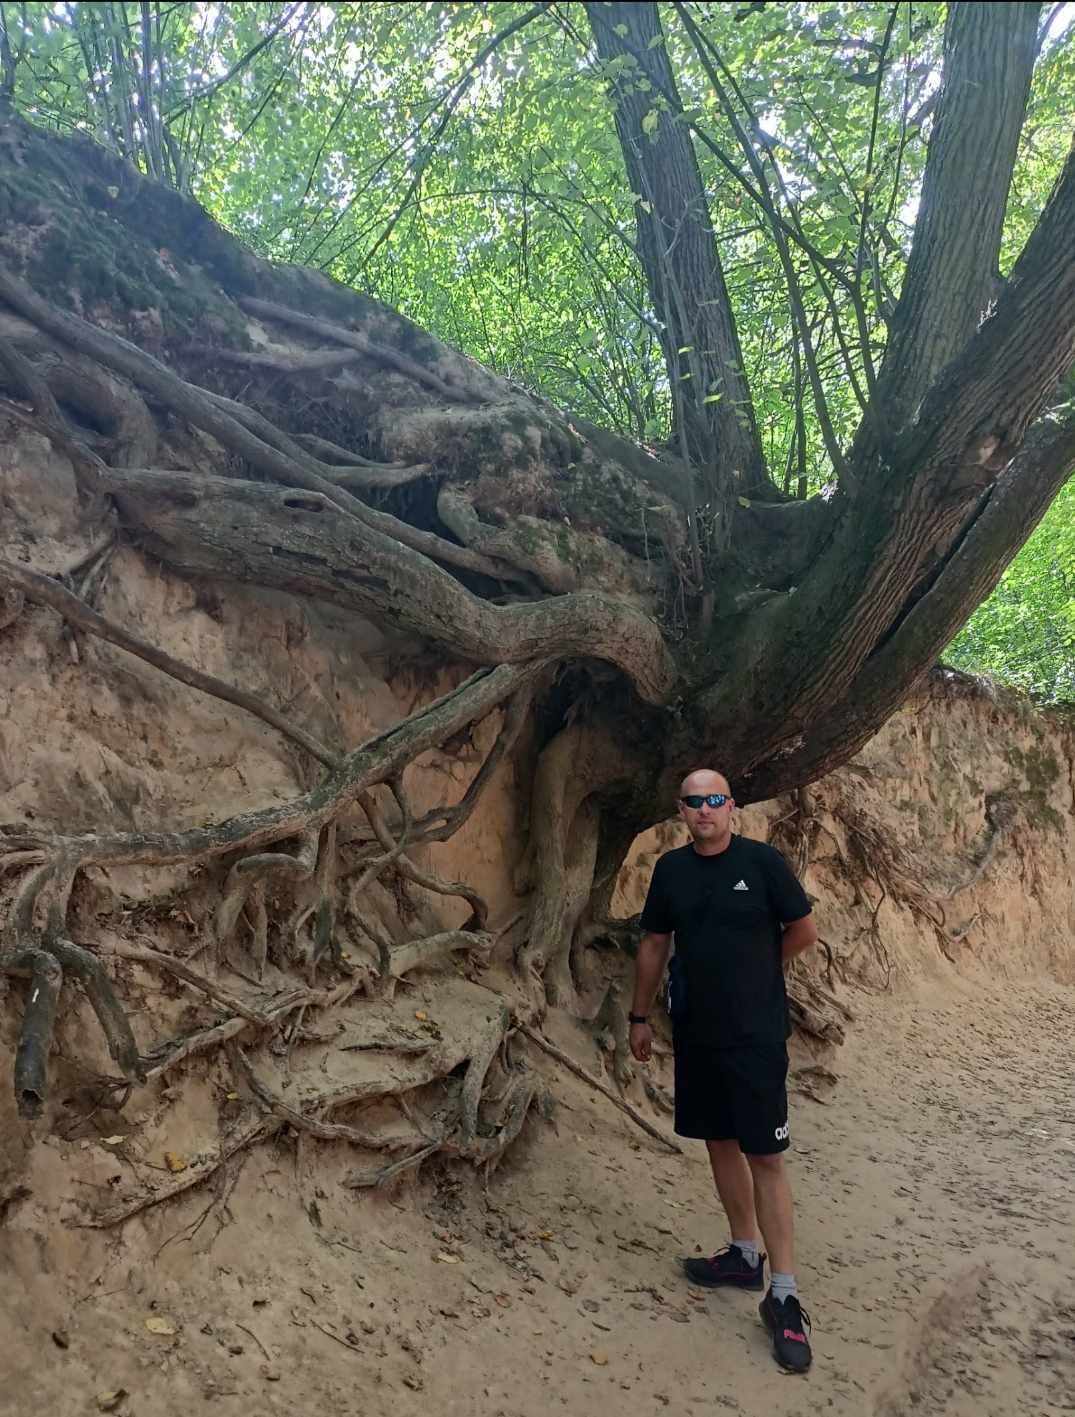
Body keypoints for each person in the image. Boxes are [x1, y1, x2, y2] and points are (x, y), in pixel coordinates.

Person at [629, 768, 818, 1374]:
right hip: (698, 1034)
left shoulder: (762, 864)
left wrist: (758, 970)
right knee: (718, 1141)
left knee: (765, 1154)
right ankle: (742, 1254)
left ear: (731, 806)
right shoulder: (671, 871)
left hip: (756, 1037)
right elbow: (654, 944)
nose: (704, 810)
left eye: (714, 800)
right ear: (681, 810)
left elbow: (803, 931)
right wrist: (638, 1016)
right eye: (694, 802)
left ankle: (784, 1295)